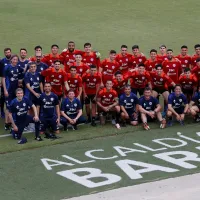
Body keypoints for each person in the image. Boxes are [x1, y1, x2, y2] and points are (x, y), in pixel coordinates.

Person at [2, 55, 24, 130]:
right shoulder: (7, 67)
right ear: (11, 60)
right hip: (8, 90)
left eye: (16, 60)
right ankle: (6, 123)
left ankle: (12, 122)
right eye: (14, 59)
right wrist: (5, 89)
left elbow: (24, 70)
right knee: (8, 107)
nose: (15, 61)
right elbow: (3, 78)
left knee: (14, 105)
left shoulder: (18, 67)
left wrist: (28, 62)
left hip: (16, 90)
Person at [0, 48, 12, 118]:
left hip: (12, 82)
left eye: (8, 52)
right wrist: (1, 82)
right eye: (6, 53)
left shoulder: (14, 60)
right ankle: (1, 110)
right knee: (3, 97)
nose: (8, 54)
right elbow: (1, 73)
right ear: (4, 54)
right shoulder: (2, 61)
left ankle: (11, 111)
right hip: (4, 82)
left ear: (10, 52)